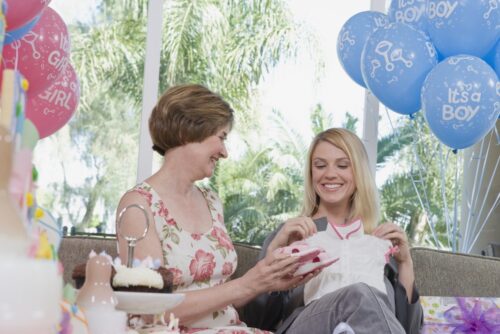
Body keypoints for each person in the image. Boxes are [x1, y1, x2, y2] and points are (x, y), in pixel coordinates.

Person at [115, 84, 320, 333]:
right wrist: (247, 284)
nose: (224, 152)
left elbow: (224, 297)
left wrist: (267, 280)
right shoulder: (139, 205)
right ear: (187, 131)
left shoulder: (211, 201)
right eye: (221, 137)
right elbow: (149, 310)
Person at [244, 128, 423, 334]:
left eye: (343, 165)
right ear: (311, 174)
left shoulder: (380, 242)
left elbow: (407, 329)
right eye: (320, 165)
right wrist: (275, 253)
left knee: (364, 298)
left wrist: (405, 263)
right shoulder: (291, 235)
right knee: (359, 294)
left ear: (358, 173)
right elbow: (256, 321)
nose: (330, 174)